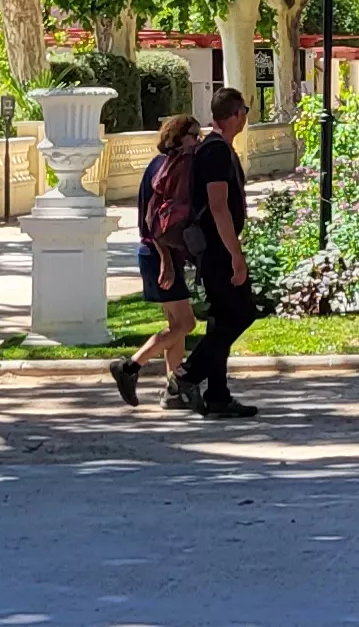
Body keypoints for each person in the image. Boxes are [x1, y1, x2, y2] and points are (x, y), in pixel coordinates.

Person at [176, 86, 265, 419]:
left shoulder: (217, 148)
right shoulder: (214, 151)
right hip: (216, 250)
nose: (246, 116)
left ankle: (217, 395)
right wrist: (235, 256)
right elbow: (218, 207)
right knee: (240, 315)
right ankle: (187, 375)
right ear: (234, 115)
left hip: (216, 249)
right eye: (244, 110)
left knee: (221, 322)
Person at [110, 115, 206, 409]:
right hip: (159, 255)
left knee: (175, 326)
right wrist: (166, 260)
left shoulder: (160, 164)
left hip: (155, 254)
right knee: (187, 323)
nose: (198, 140)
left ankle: (173, 390)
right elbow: (157, 221)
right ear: (179, 137)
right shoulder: (171, 168)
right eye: (194, 134)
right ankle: (130, 367)